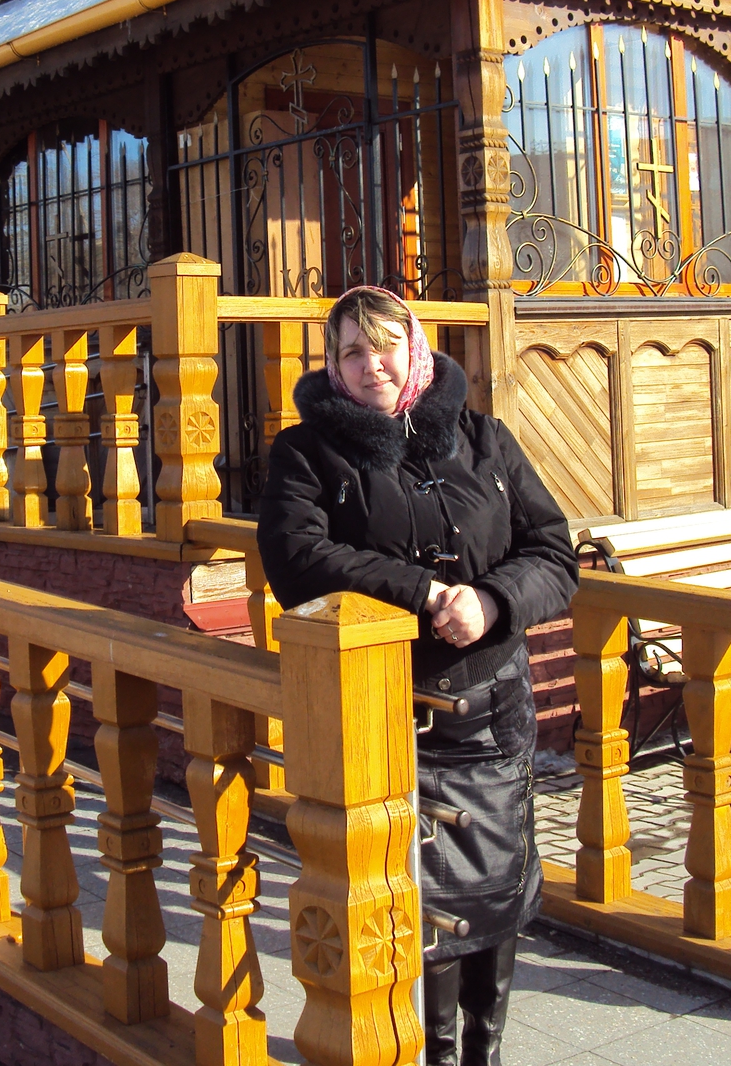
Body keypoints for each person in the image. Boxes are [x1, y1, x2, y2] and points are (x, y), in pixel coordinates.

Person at [257, 287, 578, 1066]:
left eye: (386, 346)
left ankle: (485, 1052)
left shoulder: (484, 438)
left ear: (416, 349)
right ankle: (433, 1053)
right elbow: (298, 558)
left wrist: (492, 601)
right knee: (415, 896)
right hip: (390, 711)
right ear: (332, 365)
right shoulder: (306, 453)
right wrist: (426, 593)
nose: (372, 365)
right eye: (352, 352)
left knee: (495, 885)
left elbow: (553, 552)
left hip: (492, 707)